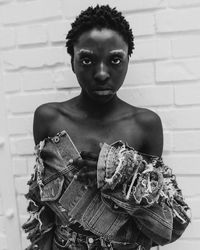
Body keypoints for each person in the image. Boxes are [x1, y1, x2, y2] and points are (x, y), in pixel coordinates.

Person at [22, 5, 190, 250]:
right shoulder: (49, 119)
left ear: (127, 61)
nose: (101, 73)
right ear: (72, 62)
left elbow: (167, 225)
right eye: (88, 59)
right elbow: (42, 210)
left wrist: (122, 174)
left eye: (114, 59)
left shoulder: (145, 125)